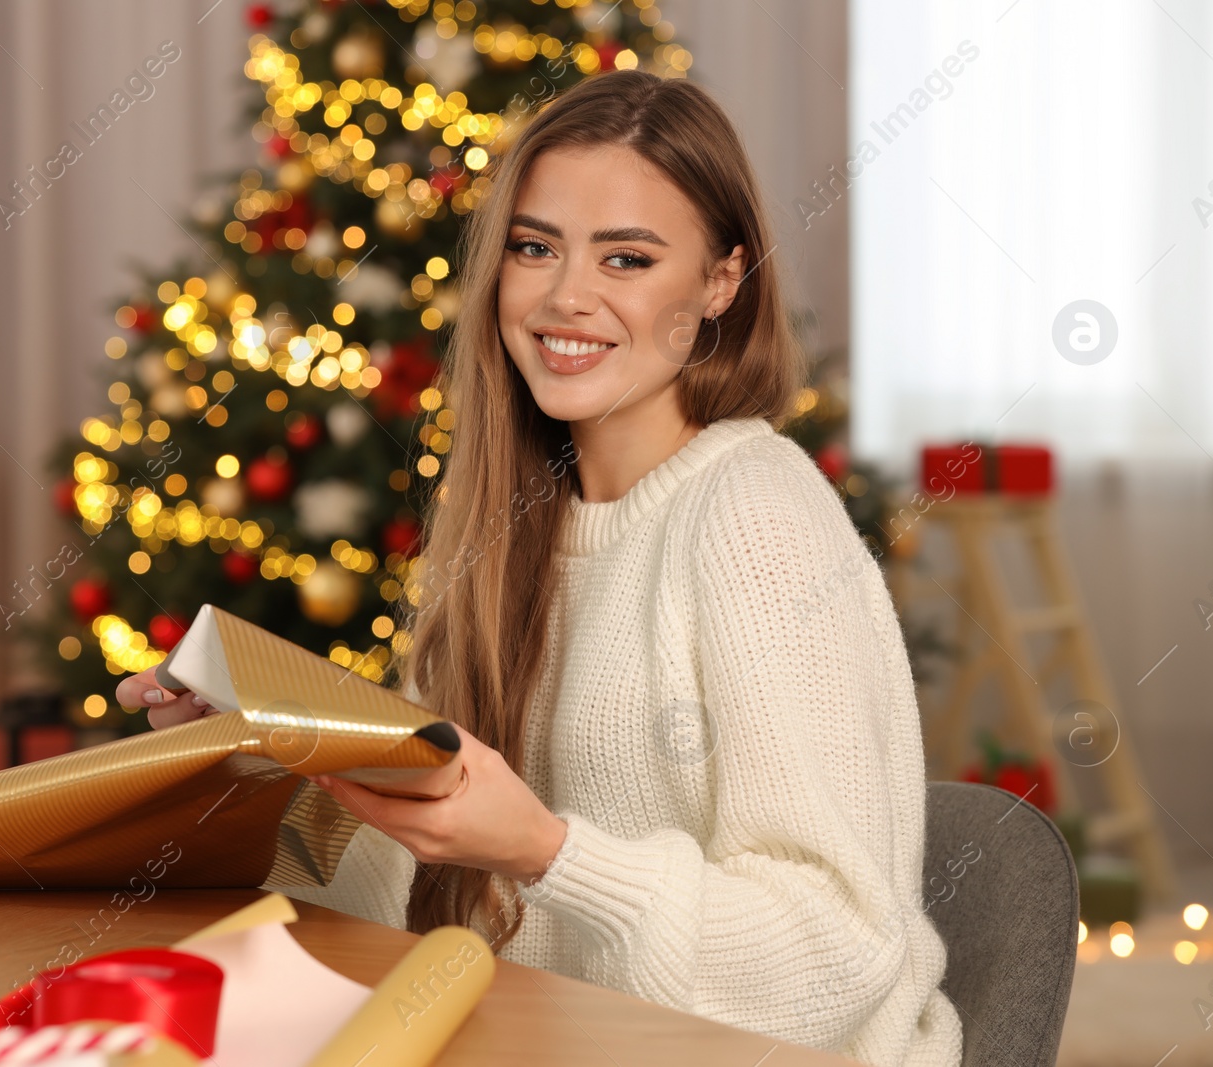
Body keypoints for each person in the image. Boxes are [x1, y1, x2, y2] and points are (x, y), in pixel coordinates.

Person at [117, 69, 962, 1067]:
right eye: (535, 248)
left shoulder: (753, 517)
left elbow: (833, 950)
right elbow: (405, 897)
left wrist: (545, 851)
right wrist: (256, 757)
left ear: (721, 281)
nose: (568, 296)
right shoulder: (510, 521)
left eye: (629, 258)